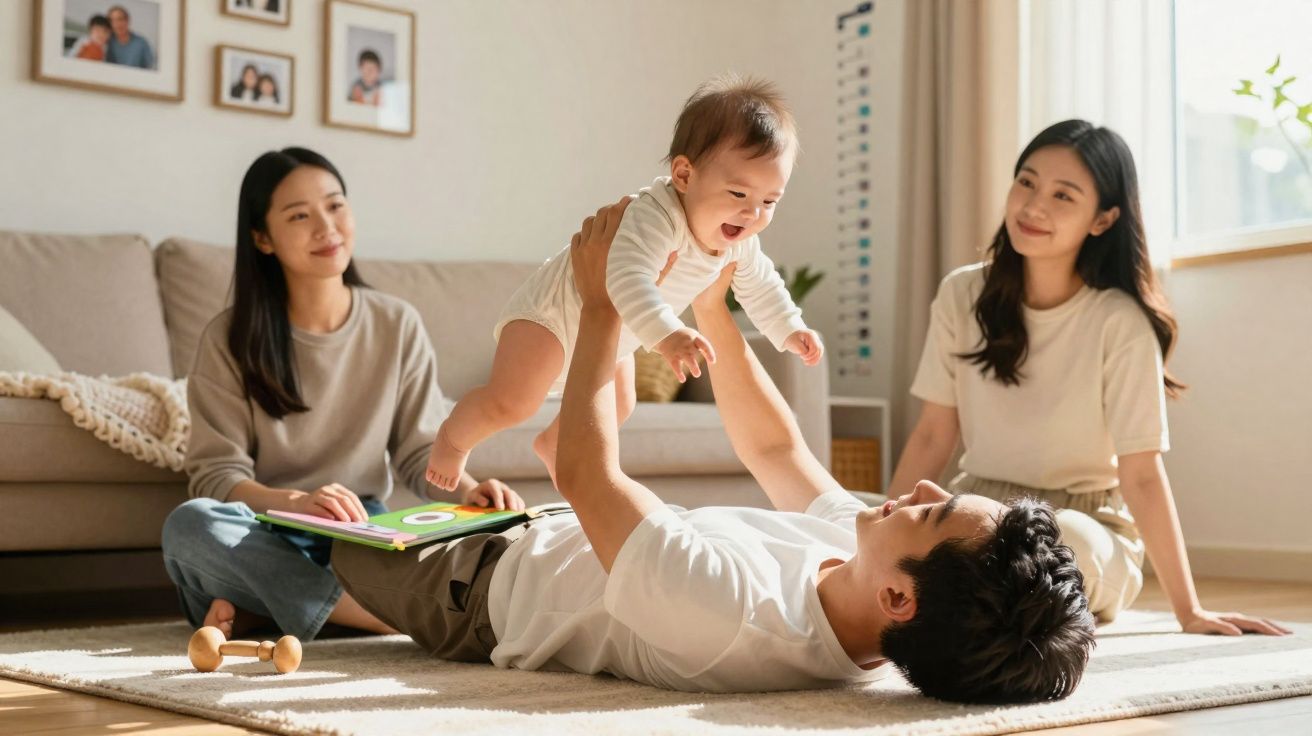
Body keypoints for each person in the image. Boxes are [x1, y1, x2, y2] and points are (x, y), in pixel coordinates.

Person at [332, 198, 1098, 704]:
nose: (926, 486)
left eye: (934, 515)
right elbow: (773, 447)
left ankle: (308, 584)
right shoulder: (864, 570)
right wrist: (713, 307)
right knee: (326, 529)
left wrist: (603, 304)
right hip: (536, 527)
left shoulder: (737, 618)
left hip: (480, 594)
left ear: (902, 599)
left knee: (294, 542)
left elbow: (586, 468)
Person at [888, 119, 1292, 637]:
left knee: (1049, 543)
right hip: (980, 505)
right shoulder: (961, 294)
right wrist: (888, 528)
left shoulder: (1119, 322)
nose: (1034, 206)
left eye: (1063, 195)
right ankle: (967, 600)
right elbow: (931, 434)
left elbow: (1142, 475)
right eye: (1027, 182)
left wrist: (1189, 611)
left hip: (1086, 523)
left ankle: (966, 599)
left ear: (1102, 220)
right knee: (851, 508)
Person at [160, 147, 525, 642]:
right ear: (262, 239)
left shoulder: (397, 324)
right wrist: (297, 502)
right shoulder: (228, 338)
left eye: (335, 206)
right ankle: (368, 614)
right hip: (260, 528)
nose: (326, 227)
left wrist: (468, 491)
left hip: (362, 531)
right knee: (190, 528)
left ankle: (269, 611)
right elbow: (216, 476)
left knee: (436, 548)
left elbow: (420, 455)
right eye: (299, 215)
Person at [425, 74, 825, 491]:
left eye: (769, 202)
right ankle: (451, 441)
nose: (752, 215)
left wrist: (789, 329)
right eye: (739, 195)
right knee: (512, 402)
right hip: (552, 320)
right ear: (685, 175)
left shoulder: (741, 243)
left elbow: (762, 287)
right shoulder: (656, 217)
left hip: (613, 335)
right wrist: (668, 335)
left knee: (620, 403)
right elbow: (625, 279)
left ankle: (557, 443)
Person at [105, 5, 155, 70]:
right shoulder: (106, 42)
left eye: (120, 19)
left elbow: (150, 68)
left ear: (128, 20)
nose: (116, 24)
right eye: (112, 21)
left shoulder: (141, 43)